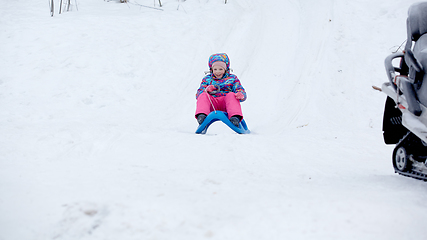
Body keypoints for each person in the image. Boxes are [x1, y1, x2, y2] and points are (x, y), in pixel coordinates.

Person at [195, 53, 247, 127]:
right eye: (215, 69)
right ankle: (202, 116)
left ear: (226, 69)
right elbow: (198, 94)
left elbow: (239, 88)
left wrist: (240, 94)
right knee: (203, 95)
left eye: (220, 69)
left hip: (227, 105)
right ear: (211, 69)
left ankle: (235, 117)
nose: (218, 72)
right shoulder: (207, 79)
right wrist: (206, 90)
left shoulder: (232, 78)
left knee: (231, 95)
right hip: (212, 104)